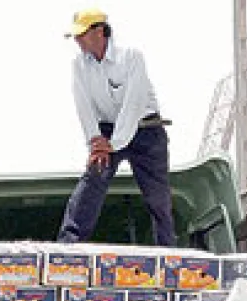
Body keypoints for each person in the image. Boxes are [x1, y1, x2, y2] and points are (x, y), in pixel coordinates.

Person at [56, 9, 176, 247]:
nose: (78, 41)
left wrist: (113, 144)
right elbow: (84, 106)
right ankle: (68, 244)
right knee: (92, 182)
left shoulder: (131, 58)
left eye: (82, 34)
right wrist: (95, 141)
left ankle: (167, 252)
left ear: (100, 32)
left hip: (146, 131)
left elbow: (133, 104)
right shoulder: (79, 65)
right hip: (107, 134)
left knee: (157, 198)